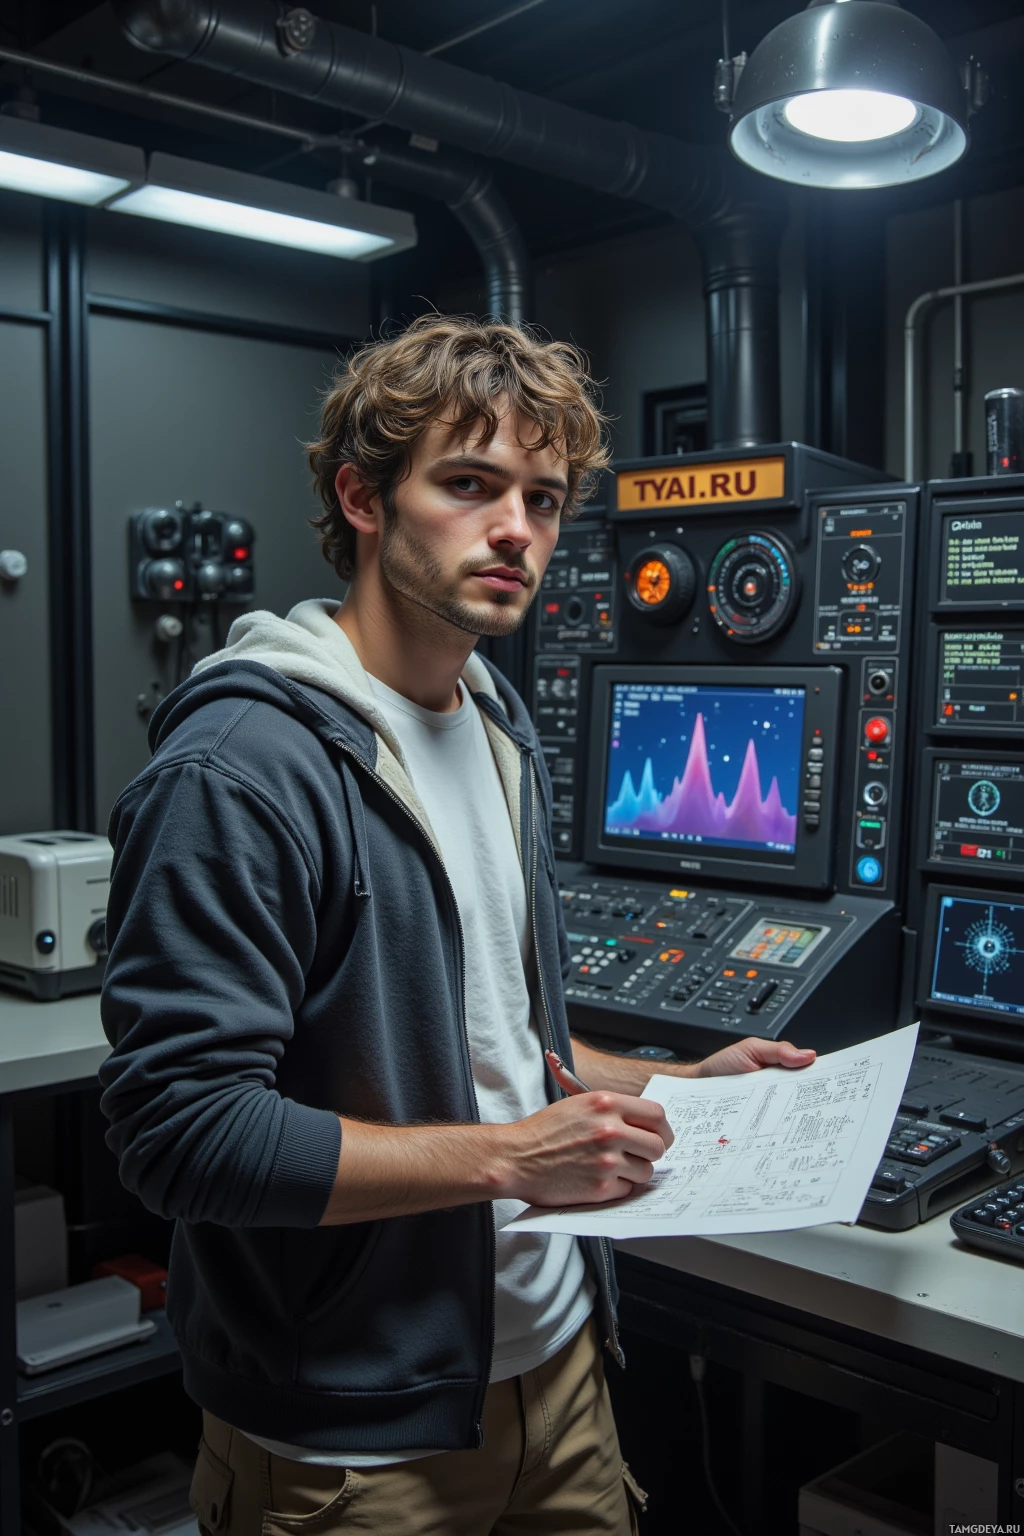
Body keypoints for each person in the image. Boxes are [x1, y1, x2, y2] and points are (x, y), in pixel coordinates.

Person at [98, 315, 815, 1536]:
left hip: (559, 1382)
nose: (514, 531)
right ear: (362, 498)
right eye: (470, 484)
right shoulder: (240, 769)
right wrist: (508, 1161)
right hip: (348, 1444)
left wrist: (679, 1084)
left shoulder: (492, 725)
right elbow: (182, 1134)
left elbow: (498, 1048)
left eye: (542, 499)